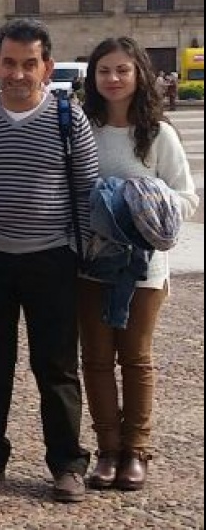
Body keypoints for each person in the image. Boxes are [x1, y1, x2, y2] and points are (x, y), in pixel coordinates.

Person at [0, 19, 99, 503]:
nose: (17, 73)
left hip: (52, 258)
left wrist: (77, 246)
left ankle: (66, 462)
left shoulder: (67, 120)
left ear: (46, 68)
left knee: (55, 366)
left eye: (28, 64)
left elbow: (87, 191)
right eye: (8, 62)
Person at [78, 37, 198, 491]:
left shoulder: (158, 134)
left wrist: (142, 202)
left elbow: (186, 197)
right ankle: (107, 450)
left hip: (144, 269)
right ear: (93, 77)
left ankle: (136, 451)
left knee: (136, 359)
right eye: (104, 70)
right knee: (95, 359)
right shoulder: (83, 129)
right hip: (91, 263)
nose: (113, 78)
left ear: (139, 74)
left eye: (122, 70)